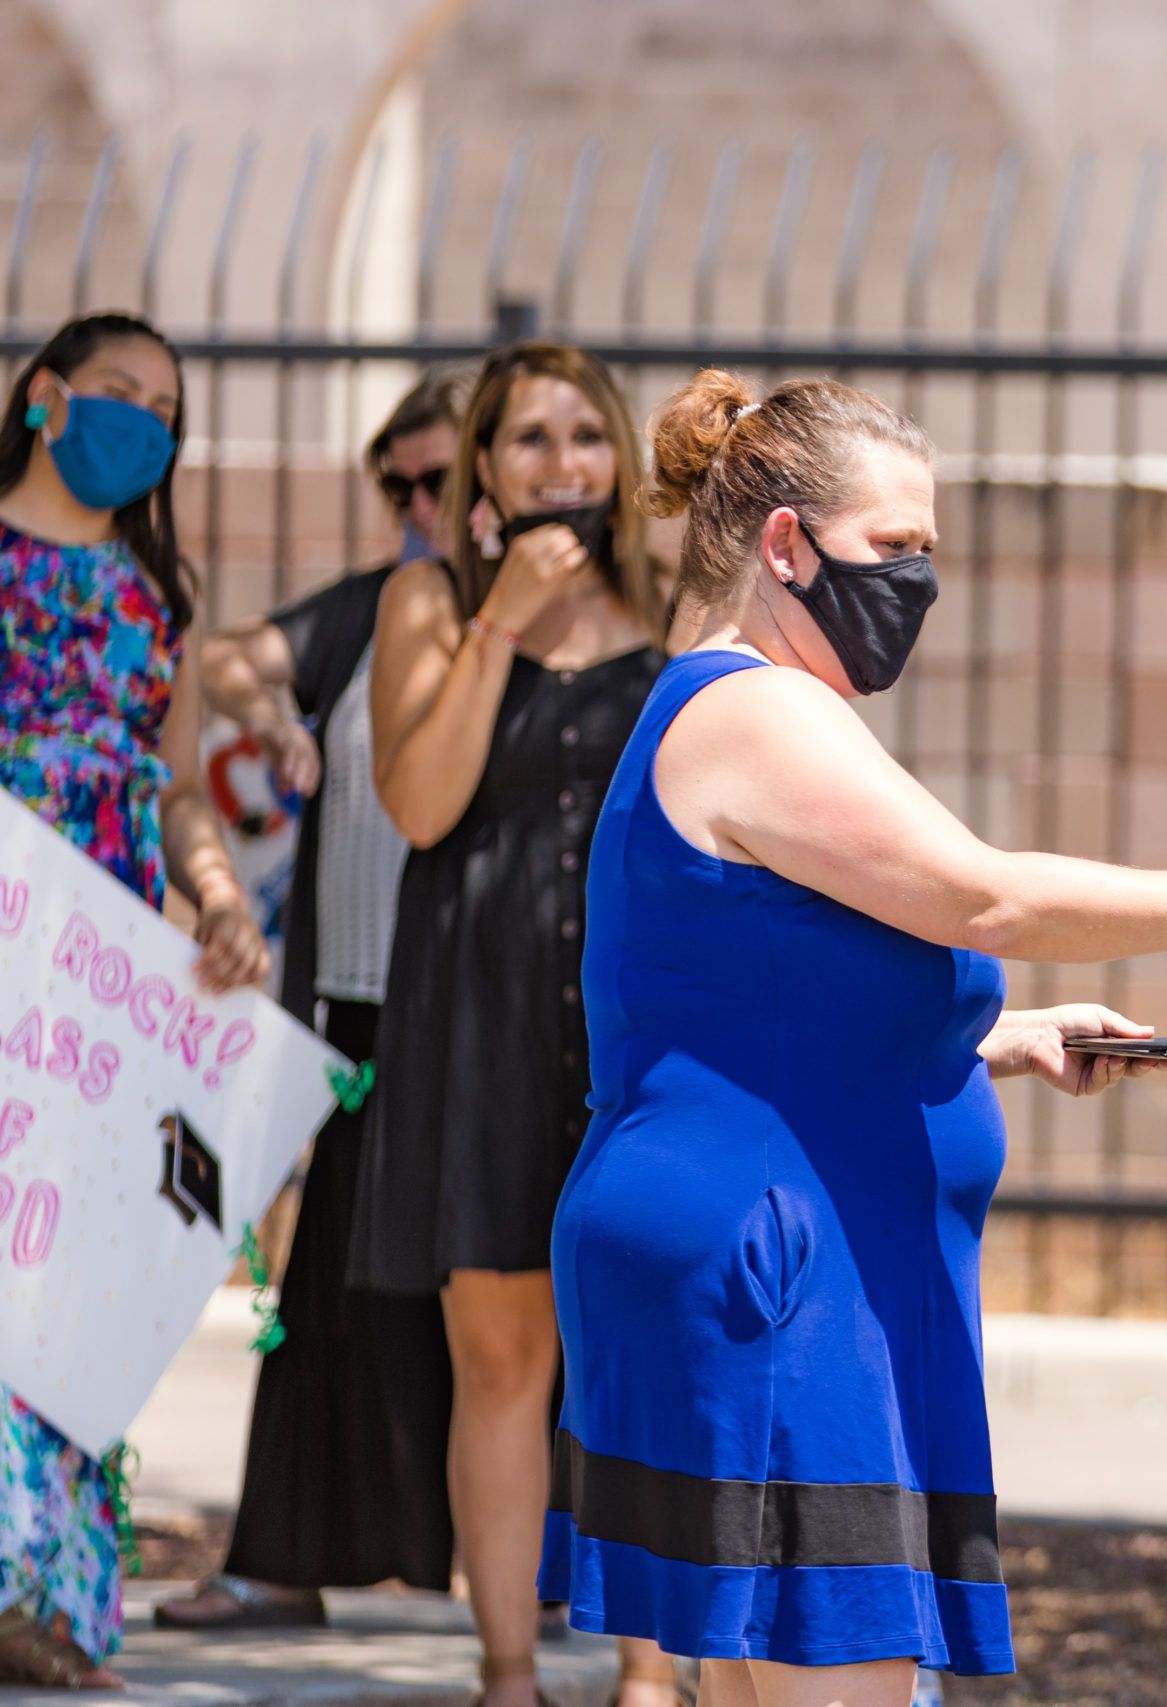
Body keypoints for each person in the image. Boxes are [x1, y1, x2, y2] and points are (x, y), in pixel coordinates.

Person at [536, 370, 1167, 1707]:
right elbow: (983, 890)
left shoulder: (723, 703)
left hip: (762, 1256)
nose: (921, 582)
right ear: (784, 544)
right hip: (779, 1278)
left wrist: (1008, 1036)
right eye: (898, 548)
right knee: (842, 1676)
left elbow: (741, 998)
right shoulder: (756, 708)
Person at [348, 343, 676, 1707]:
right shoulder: (429, 598)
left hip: (636, 1021)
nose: (560, 465)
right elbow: (421, 804)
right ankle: (506, 1672)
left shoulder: (670, 605)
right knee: (502, 1353)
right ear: (480, 464)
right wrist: (500, 625)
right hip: (476, 1013)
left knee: (645, 1348)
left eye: (583, 437)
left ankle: (653, 1670)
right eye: (527, 439)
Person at [154, 367, 474, 1633]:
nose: (413, 503)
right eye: (392, 482)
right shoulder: (365, 608)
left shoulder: (560, 623)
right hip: (358, 1005)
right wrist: (270, 707)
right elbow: (225, 659)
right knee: (325, 1293)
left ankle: (559, 1571)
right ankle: (284, 1555)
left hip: (507, 1013)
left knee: (518, 1298)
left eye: (435, 477)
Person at [0, 311, 272, 1687]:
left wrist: (220, 901)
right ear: (44, 398)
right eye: (117, 392)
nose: (143, 421)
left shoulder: (161, 594)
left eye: (167, 405)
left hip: (98, 971)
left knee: (72, 1272)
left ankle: (42, 1593)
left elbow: (171, 792)